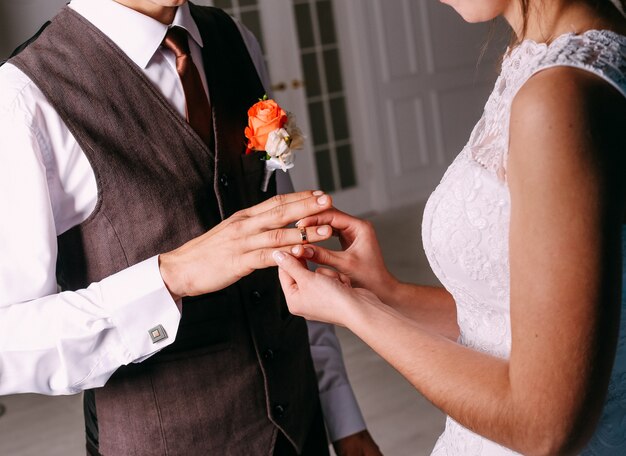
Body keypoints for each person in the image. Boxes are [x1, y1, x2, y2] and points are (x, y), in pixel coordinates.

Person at [0, 1, 382, 455]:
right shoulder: (23, 97)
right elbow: (9, 341)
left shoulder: (233, 38)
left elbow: (285, 240)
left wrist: (344, 418)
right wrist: (171, 277)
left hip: (301, 431)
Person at [273, 0, 626, 454]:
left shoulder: (561, 95)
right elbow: (513, 325)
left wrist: (356, 313)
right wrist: (387, 292)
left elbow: (543, 427)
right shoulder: (548, 58)